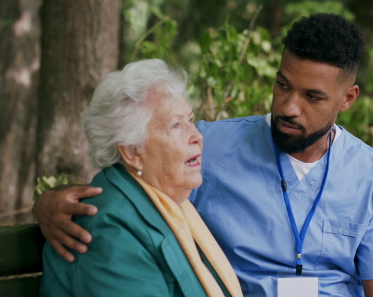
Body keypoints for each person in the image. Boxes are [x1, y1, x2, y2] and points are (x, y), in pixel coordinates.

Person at [34, 13, 373, 296]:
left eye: (312, 96)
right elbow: (136, 187)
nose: (289, 107)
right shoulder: (212, 146)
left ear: (348, 98)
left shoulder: (372, 173)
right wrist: (48, 203)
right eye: (282, 86)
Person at [39, 59, 243, 296]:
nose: (196, 135)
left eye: (189, 120)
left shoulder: (167, 201)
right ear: (133, 151)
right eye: (176, 125)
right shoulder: (111, 228)